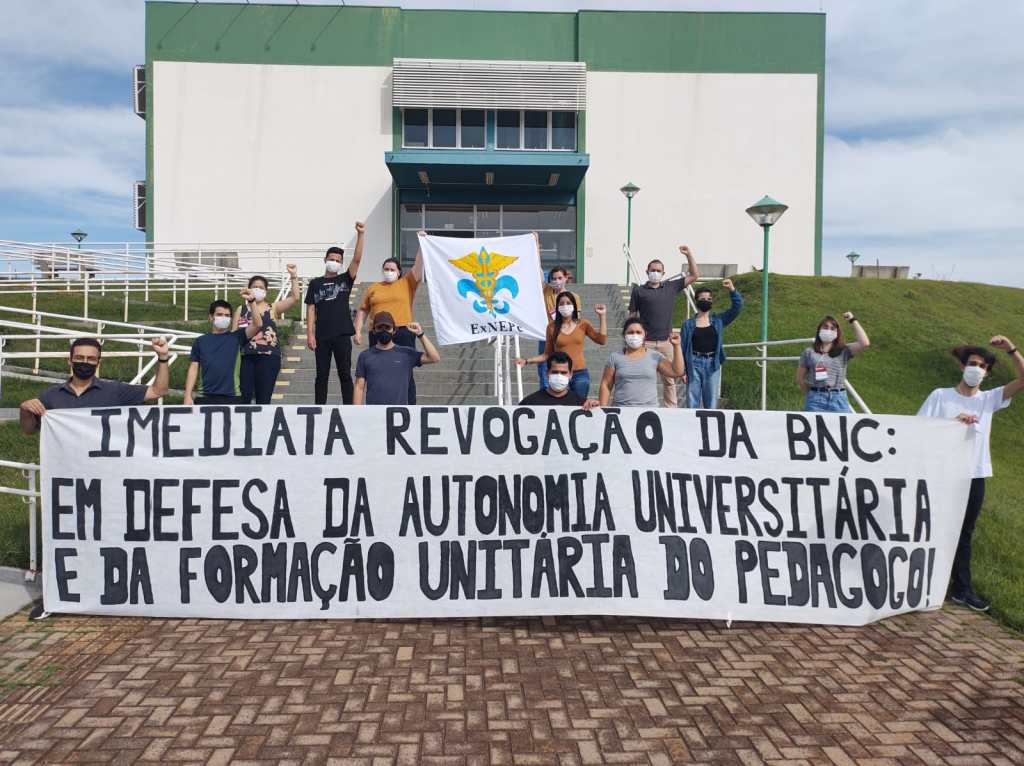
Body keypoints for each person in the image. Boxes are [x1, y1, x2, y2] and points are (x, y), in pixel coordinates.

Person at [916, 336, 1024, 612]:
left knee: (964, 532)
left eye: (982, 366)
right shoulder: (940, 396)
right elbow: (920, 431)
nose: (977, 369)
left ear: (987, 374)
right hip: (943, 474)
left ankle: (962, 589)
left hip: (974, 475)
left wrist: (1011, 350)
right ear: (963, 366)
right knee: (933, 528)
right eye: (973, 364)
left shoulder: (988, 400)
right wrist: (953, 423)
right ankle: (924, 583)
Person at [19, 336, 171, 435]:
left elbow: (159, 391)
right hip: (65, 469)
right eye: (79, 357)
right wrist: (25, 410)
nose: (85, 362)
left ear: (98, 363)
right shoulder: (50, 395)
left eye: (91, 359)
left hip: (102, 470)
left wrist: (163, 357)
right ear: (70, 361)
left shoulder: (115, 391)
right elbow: (29, 430)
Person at [354, 233, 424, 402]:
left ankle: (409, 407)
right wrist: (357, 331)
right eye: (386, 269)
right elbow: (363, 310)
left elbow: (417, 267)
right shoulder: (374, 288)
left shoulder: (407, 283)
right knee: (376, 370)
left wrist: (422, 244)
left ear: (399, 272)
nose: (389, 272)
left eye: (392, 269)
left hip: (403, 331)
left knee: (405, 371)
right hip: (378, 332)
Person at [627, 245, 699, 407]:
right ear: (647, 271)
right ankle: (641, 405)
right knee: (642, 378)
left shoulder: (671, 287)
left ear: (663, 273)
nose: (655, 272)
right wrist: (630, 338)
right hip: (645, 343)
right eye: (653, 270)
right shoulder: (638, 291)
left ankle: (670, 409)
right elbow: (632, 316)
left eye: (658, 270)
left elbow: (694, 275)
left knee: (670, 379)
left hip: (666, 342)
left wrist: (688, 255)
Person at [306, 222, 366, 405]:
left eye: (338, 260)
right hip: (322, 335)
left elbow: (357, 260)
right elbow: (311, 309)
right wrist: (310, 334)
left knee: (345, 374)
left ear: (341, 263)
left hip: (342, 334)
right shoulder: (315, 283)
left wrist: (360, 234)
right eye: (332, 259)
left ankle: (349, 408)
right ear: (325, 260)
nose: (334, 262)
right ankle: (319, 409)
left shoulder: (345, 279)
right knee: (321, 375)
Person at [514, 292, 607, 398]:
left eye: (568, 303)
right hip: (559, 374)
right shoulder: (551, 327)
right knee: (560, 405)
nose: (565, 306)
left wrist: (602, 316)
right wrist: (526, 361)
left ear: (574, 306)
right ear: (557, 307)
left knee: (579, 404)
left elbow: (601, 340)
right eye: (561, 304)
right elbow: (546, 354)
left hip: (579, 374)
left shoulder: (583, 324)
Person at [234, 263, 300, 404]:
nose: (257, 289)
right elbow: (233, 336)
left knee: (263, 399)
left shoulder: (273, 308)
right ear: (249, 289)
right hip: (246, 358)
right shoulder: (241, 309)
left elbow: (295, 298)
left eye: (261, 287)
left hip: (269, 358)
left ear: (266, 291)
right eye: (254, 287)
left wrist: (293, 276)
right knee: (244, 397)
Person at [184, 295, 263, 405]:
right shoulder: (200, 341)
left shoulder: (237, 337)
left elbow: (258, 324)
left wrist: (252, 301)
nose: (223, 317)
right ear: (211, 317)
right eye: (219, 314)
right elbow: (193, 368)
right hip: (205, 397)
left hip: (232, 397)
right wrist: (187, 395)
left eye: (227, 315)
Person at [680, 279, 743, 409]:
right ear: (696, 301)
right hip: (693, 363)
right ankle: (692, 422)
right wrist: (684, 371)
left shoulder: (718, 320)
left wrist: (732, 290)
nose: (706, 301)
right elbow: (683, 348)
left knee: (711, 402)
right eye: (703, 299)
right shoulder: (687, 324)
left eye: (709, 299)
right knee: (692, 402)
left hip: (712, 363)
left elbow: (737, 308)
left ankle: (711, 422)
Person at [353, 311, 440, 405]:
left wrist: (421, 334)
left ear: (394, 330)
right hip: (374, 412)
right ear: (374, 331)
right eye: (380, 328)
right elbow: (359, 387)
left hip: (399, 411)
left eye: (387, 328)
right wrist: (357, 411)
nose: (384, 331)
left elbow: (434, 357)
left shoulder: (406, 354)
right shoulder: (365, 356)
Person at [795, 312, 870, 412]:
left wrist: (853, 320)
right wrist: (811, 395)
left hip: (839, 399)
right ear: (819, 330)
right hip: (816, 400)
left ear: (837, 333)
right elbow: (800, 379)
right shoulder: (809, 352)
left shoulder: (843, 351)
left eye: (832, 328)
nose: (828, 330)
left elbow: (864, 343)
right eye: (825, 327)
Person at [599, 319, 684, 407]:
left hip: (649, 411)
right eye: (630, 332)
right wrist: (602, 408)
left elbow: (676, 371)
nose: (634, 335)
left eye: (638, 332)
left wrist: (677, 346)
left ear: (645, 334)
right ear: (624, 335)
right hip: (622, 410)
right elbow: (606, 384)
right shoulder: (615, 357)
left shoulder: (655, 356)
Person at [538, 266, 583, 390]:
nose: (556, 281)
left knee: (563, 366)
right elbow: (538, 272)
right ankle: (545, 393)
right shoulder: (547, 290)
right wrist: (536, 253)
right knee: (544, 367)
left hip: (564, 336)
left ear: (566, 278)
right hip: (547, 336)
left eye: (559, 278)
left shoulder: (574, 297)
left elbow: (577, 318)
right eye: (553, 278)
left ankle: (565, 391)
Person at [519, 351, 599, 409]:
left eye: (563, 373)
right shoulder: (530, 403)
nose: (559, 376)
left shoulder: (582, 404)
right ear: (547, 373)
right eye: (555, 372)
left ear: (570, 374)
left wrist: (596, 408)